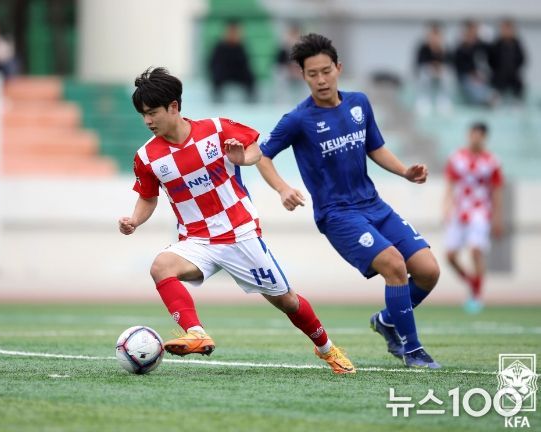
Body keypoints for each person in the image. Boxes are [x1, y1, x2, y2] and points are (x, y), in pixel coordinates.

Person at [118, 67, 355, 374]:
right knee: (160, 267)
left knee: (288, 302)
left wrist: (242, 158)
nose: (148, 121)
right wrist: (135, 220)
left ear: (173, 106)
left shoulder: (216, 129)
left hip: (240, 233)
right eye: (143, 115)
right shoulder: (147, 157)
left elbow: (255, 150)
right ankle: (196, 333)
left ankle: (327, 349)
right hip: (197, 240)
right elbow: (148, 198)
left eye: (152, 113)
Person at [256, 34, 442, 369]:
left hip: (374, 205)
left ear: (338, 68)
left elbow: (375, 147)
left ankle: (387, 321)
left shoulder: (359, 103)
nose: (321, 79)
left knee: (428, 271)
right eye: (313, 74)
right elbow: (262, 156)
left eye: (326, 71)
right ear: (302, 75)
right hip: (337, 214)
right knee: (395, 265)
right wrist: (282, 188)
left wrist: (404, 171)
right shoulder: (298, 119)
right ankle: (412, 350)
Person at [443, 123, 504, 314]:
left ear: (484, 137)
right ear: (468, 135)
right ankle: (472, 282)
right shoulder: (457, 157)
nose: (475, 138)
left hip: (480, 212)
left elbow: (497, 190)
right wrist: (446, 207)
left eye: (479, 135)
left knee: (476, 251)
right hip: (459, 211)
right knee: (450, 256)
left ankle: (477, 296)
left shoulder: (492, 161)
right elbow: (450, 184)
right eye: (472, 134)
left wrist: (497, 217)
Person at [208, 20, 256, 103]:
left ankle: (251, 101)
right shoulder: (219, 47)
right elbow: (212, 63)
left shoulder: (240, 47)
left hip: (238, 74)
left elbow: (245, 64)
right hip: (224, 74)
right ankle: (217, 101)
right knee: (216, 77)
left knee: (250, 78)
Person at [453, 20, 495, 107]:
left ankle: (488, 98)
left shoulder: (480, 46)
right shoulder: (460, 48)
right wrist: (472, 74)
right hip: (466, 77)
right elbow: (459, 67)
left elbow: (492, 55)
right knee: (471, 85)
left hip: (479, 76)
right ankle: (483, 101)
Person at [414, 22, 452, 115]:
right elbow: (419, 64)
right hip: (427, 72)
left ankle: (443, 101)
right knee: (424, 74)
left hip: (440, 72)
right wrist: (432, 66)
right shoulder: (423, 48)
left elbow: (449, 63)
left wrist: (439, 66)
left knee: (447, 75)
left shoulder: (445, 49)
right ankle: (423, 100)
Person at [488, 19, 526, 104]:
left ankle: (517, 102)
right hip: (499, 75)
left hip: (513, 74)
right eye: (504, 29)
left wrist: (514, 68)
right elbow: (491, 60)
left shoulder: (516, 44)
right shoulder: (496, 44)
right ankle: (495, 100)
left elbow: (522, 59)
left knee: (518, 84)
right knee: (497, 82)